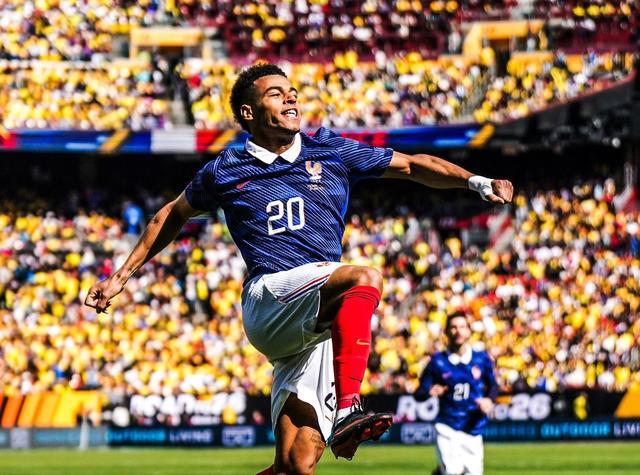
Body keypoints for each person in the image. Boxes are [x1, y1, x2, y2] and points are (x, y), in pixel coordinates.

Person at [85, 63, 513, 474]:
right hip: (270, 299)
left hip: (316, 323)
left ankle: (337, 416)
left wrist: (476, 181)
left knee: (296, 463)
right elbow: (171, 214)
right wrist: (120, 277)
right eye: (276, 94)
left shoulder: (330, 149)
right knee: (363, 278)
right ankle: (349, 408)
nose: (290, 98)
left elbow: (412, 165)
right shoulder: (225, 170)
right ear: (249, 113)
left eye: (292, 92)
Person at [415, 312, 498, 475]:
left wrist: (489, 400)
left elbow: (493, 385)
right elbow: (419, 394)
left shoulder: (481, 359)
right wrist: (430, 391)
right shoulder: (437, 361)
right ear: (446, 331)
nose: (458, 331)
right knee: (453, 471)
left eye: (462, 327)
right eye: (453, 327)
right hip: (447, 425)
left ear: (469, 331)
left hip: (473, 427)